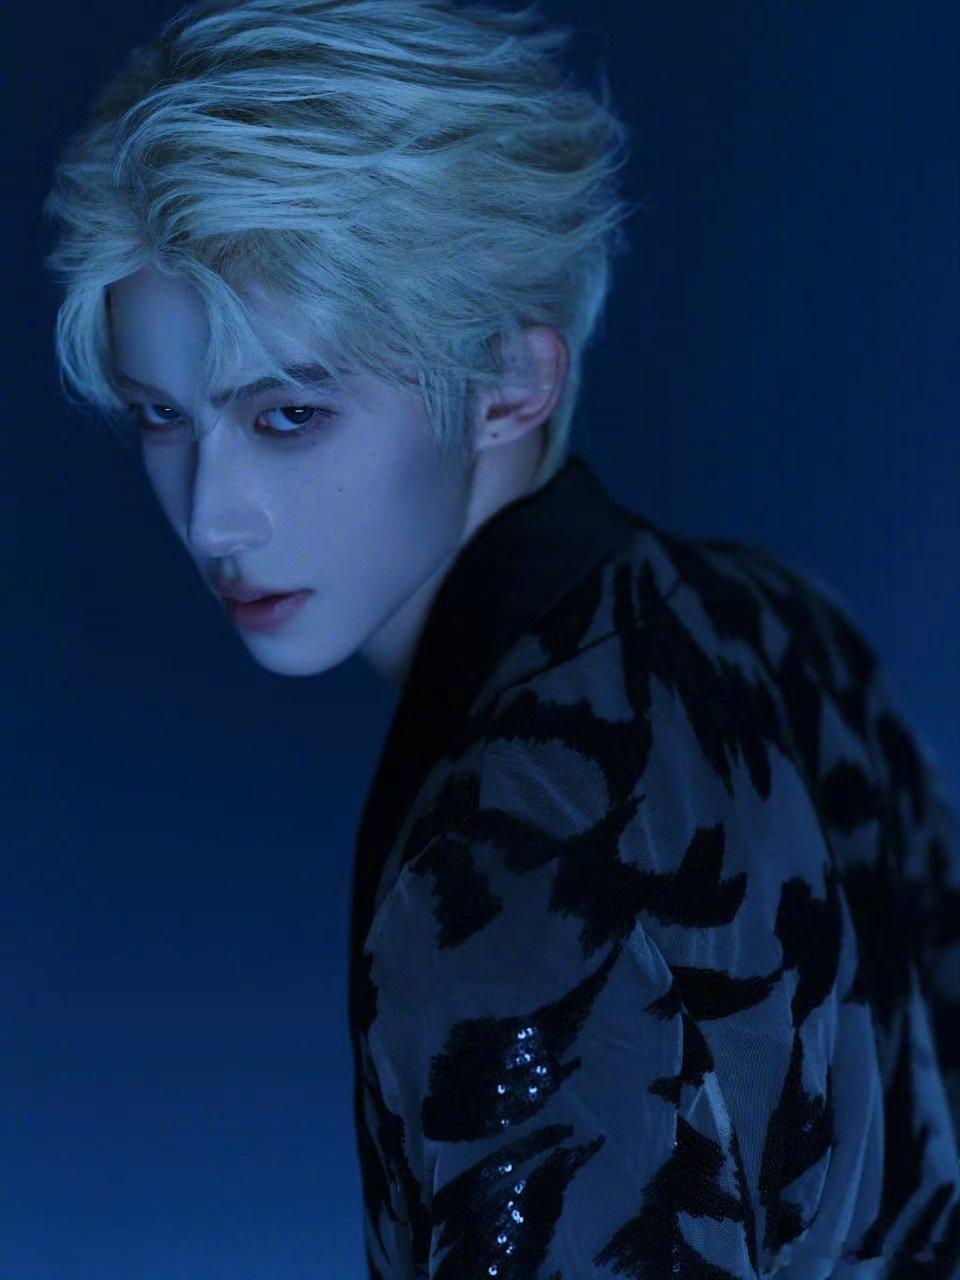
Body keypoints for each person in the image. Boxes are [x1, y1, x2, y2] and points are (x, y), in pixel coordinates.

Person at [41, 0, 959, 1276]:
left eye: (290, 414)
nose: (210, 514)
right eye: (160, 415)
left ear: (512, 384)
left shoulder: (505, 863)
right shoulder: (775, 613)